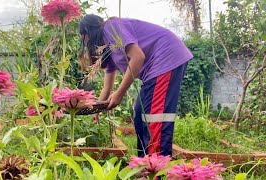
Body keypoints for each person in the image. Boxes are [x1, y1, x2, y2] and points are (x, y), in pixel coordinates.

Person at [78, 14, 193, 157]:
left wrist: (119, 93)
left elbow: (138, 57)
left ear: (89, 31)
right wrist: (96, 109)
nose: (86, 43)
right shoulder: (109, 48)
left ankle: (156, 171)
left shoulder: (110, 27)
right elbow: (107, 86)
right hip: (156, 70)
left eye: (84, 37)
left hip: (166, 57)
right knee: (140, 114)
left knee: (154, 118)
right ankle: (144, 165)